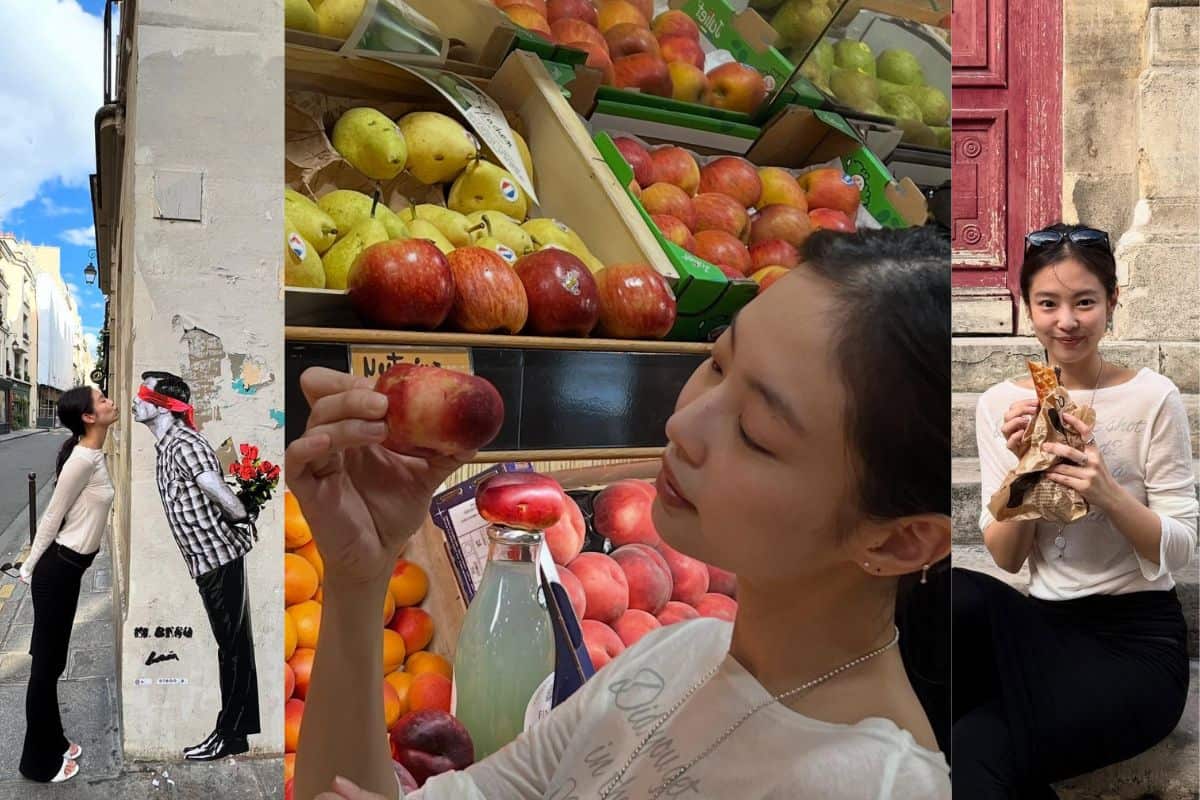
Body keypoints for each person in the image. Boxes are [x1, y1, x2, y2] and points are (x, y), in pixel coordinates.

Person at [288, 228, 953, 800]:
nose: (683, 422)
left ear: (899, 543)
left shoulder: (878, 785)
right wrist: (358, 575)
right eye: (718, 364)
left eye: (754, 431)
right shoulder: (679, 656)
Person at [954, 223, 1198, 798]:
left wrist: (1107, 491)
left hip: (1135, 645)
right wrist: (1027, 474)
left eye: (1085, 302)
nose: (1067, 321)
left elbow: (1180, 547)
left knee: (971, 747)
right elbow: (1007, 561)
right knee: (950, 592)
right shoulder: (999, 406)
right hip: (1043, 628)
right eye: (1049, 303)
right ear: (1027, 308)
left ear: (1113, 303)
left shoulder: (1152, 397)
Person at [132, 370, 261, 760]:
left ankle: (227, 734)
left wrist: (241, 513)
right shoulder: (170, 445)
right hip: (209, 560)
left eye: (144, 395)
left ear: (165, 406)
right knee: (236, 645)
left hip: (218, 558)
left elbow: (213, 486)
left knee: (232, 649)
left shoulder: (184, 444)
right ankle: (236, 733)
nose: (136, 402)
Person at [18, 386, 117, 783]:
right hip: (57, 571)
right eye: (102, 399)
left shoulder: (93, 453)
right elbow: (51, 517)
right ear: (89, 417)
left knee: (53, 664)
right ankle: (37, 763)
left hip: (69, 571)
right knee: (44, 667)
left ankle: (54, 739)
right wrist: (29, 564)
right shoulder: (81, 461)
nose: (110, 401)